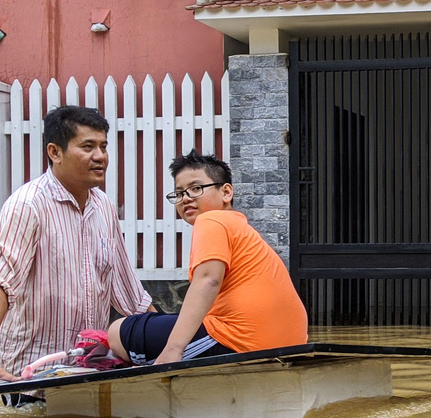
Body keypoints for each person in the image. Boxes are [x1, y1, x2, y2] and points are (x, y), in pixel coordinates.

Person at [0, 105, 153, 403]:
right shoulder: (27, 205)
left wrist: (174, 343)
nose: (100, 156)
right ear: (55, 151)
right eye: (87, 147)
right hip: (31, 379)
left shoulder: (103, 208)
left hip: (87, 373)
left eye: (103, 146)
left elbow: (129, 293)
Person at [108, 150, 307, 366]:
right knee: (161, 321)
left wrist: (174, 349)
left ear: (226, 192)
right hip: (289, 343)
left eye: (196, 188)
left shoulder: (212, 220)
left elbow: (208, 281)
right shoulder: (239, 227)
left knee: (118, 331)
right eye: (179, 193)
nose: (186, 198)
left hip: (242, 341)